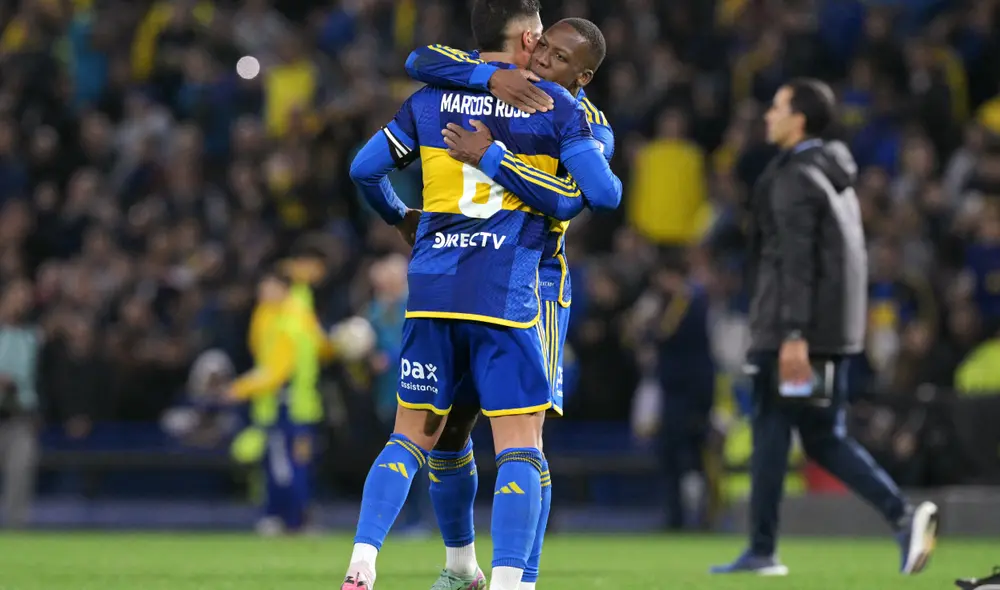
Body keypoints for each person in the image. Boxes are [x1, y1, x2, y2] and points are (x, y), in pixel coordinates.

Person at [346, 4, 621, 590]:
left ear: (582, 73)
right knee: (477, 437)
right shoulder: (507, 90)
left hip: (512, 284)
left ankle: (505, 576)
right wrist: (492, 79)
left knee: (471, 436)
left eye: (558, 55)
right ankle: (476, 572)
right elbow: (420, 57)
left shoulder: (568, 112)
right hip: (500, 285)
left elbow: (588, 195)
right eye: (542, 44)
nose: (543, 56)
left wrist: (487, 158)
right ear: (527, 37)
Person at [710, 79, 938, 576]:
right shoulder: (833, 172)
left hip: (792, 333)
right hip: (826, 332)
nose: (768, 115)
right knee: (819, 435)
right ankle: (899, 515)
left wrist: (793, 334)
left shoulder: (794, 177)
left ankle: (765, 550)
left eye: (777, 107)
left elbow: (795, 261)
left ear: (801, 120)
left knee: (774, 426)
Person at [225, 264, 336, 534]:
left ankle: (287, 518)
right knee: (291, 464)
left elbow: (276, 371)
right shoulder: (285, 315)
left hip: (287, 406)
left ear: (284, 289)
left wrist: (239, 388)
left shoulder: (287, 322)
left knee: (285, 466)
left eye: (269, 287)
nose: (263, 292)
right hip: (299, 406)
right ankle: (294, 517)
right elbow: (324, 350)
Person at [0, 279, 41, 529]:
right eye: (17, 296)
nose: (21, 302)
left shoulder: (32, 337)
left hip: (20, 416)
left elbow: (38, 378)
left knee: (20, 475)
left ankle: (16, 531)